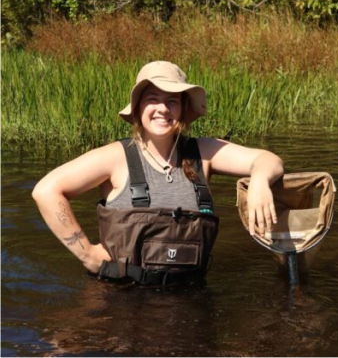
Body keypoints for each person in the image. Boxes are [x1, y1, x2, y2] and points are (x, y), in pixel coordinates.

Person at [32, 61, 284, 285]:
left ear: (183, 109)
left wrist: (260, 181)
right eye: (152, 98)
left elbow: (268, 160)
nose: (162, 108)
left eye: (172, 100)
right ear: (138, 107)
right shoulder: (115, 157)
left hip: (190, 300)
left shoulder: (203, 152)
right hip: (120, 303)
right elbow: (46, 191)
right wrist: (87, 253)